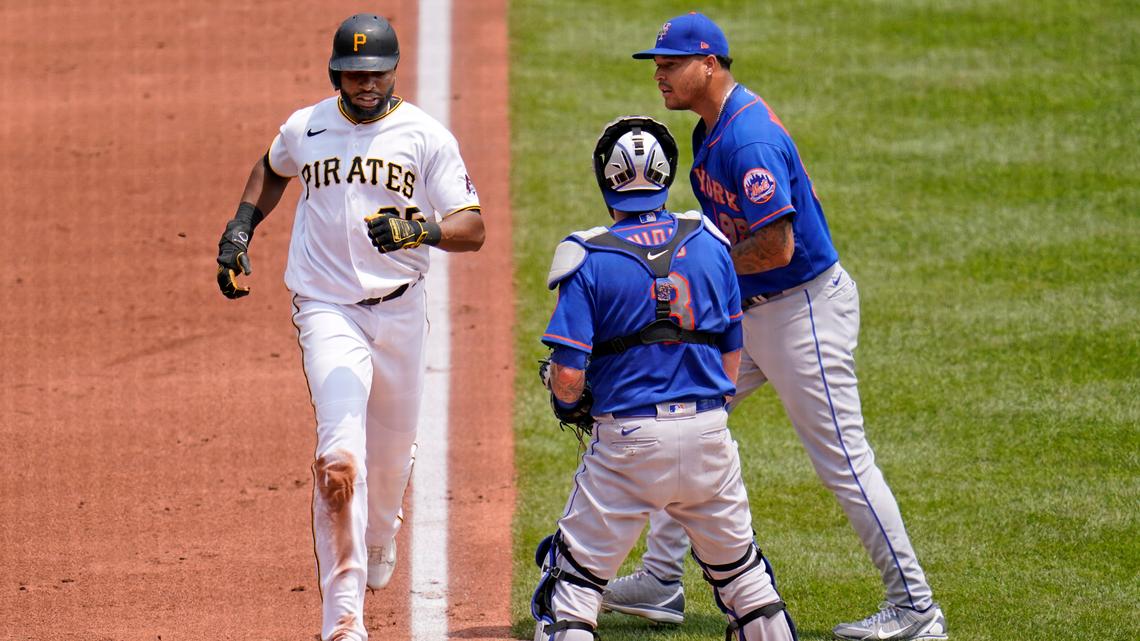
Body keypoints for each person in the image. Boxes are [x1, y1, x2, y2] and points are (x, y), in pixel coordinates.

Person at [601, 12, 947, 641]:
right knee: (687, 419)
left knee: (842, 459)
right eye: (655, 65)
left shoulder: (746, 140)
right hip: (758, 315)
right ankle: (660, 580)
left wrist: (699, 270)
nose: (659, 76)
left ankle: (916, 608)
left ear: (710, 63)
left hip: (802, 312)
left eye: (670, 64)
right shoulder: (713, 128)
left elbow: (777, 246)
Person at [213, 14, 485, 641]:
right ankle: (343, 623)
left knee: (386, 464)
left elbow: (473, 227)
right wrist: (239, 227)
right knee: (339, 461)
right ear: (336, 72)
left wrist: (422, 230)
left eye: (377, 71)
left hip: (400, 310)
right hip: (326, 308)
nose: (366, 82)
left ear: (394, 71)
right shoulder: (306, 126)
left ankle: (383, 529)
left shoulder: (425, 136)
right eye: (354, 72)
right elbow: (272, 166)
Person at [529, 115, 797, 641]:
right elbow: (730, 361)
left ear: (605, 180)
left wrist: (570, 403)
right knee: (746, 583)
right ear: (665, 175)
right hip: (708, 438)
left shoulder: (587, 256)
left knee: (574, 588)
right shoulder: (711, 242)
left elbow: (567, 377)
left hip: (627, 445)